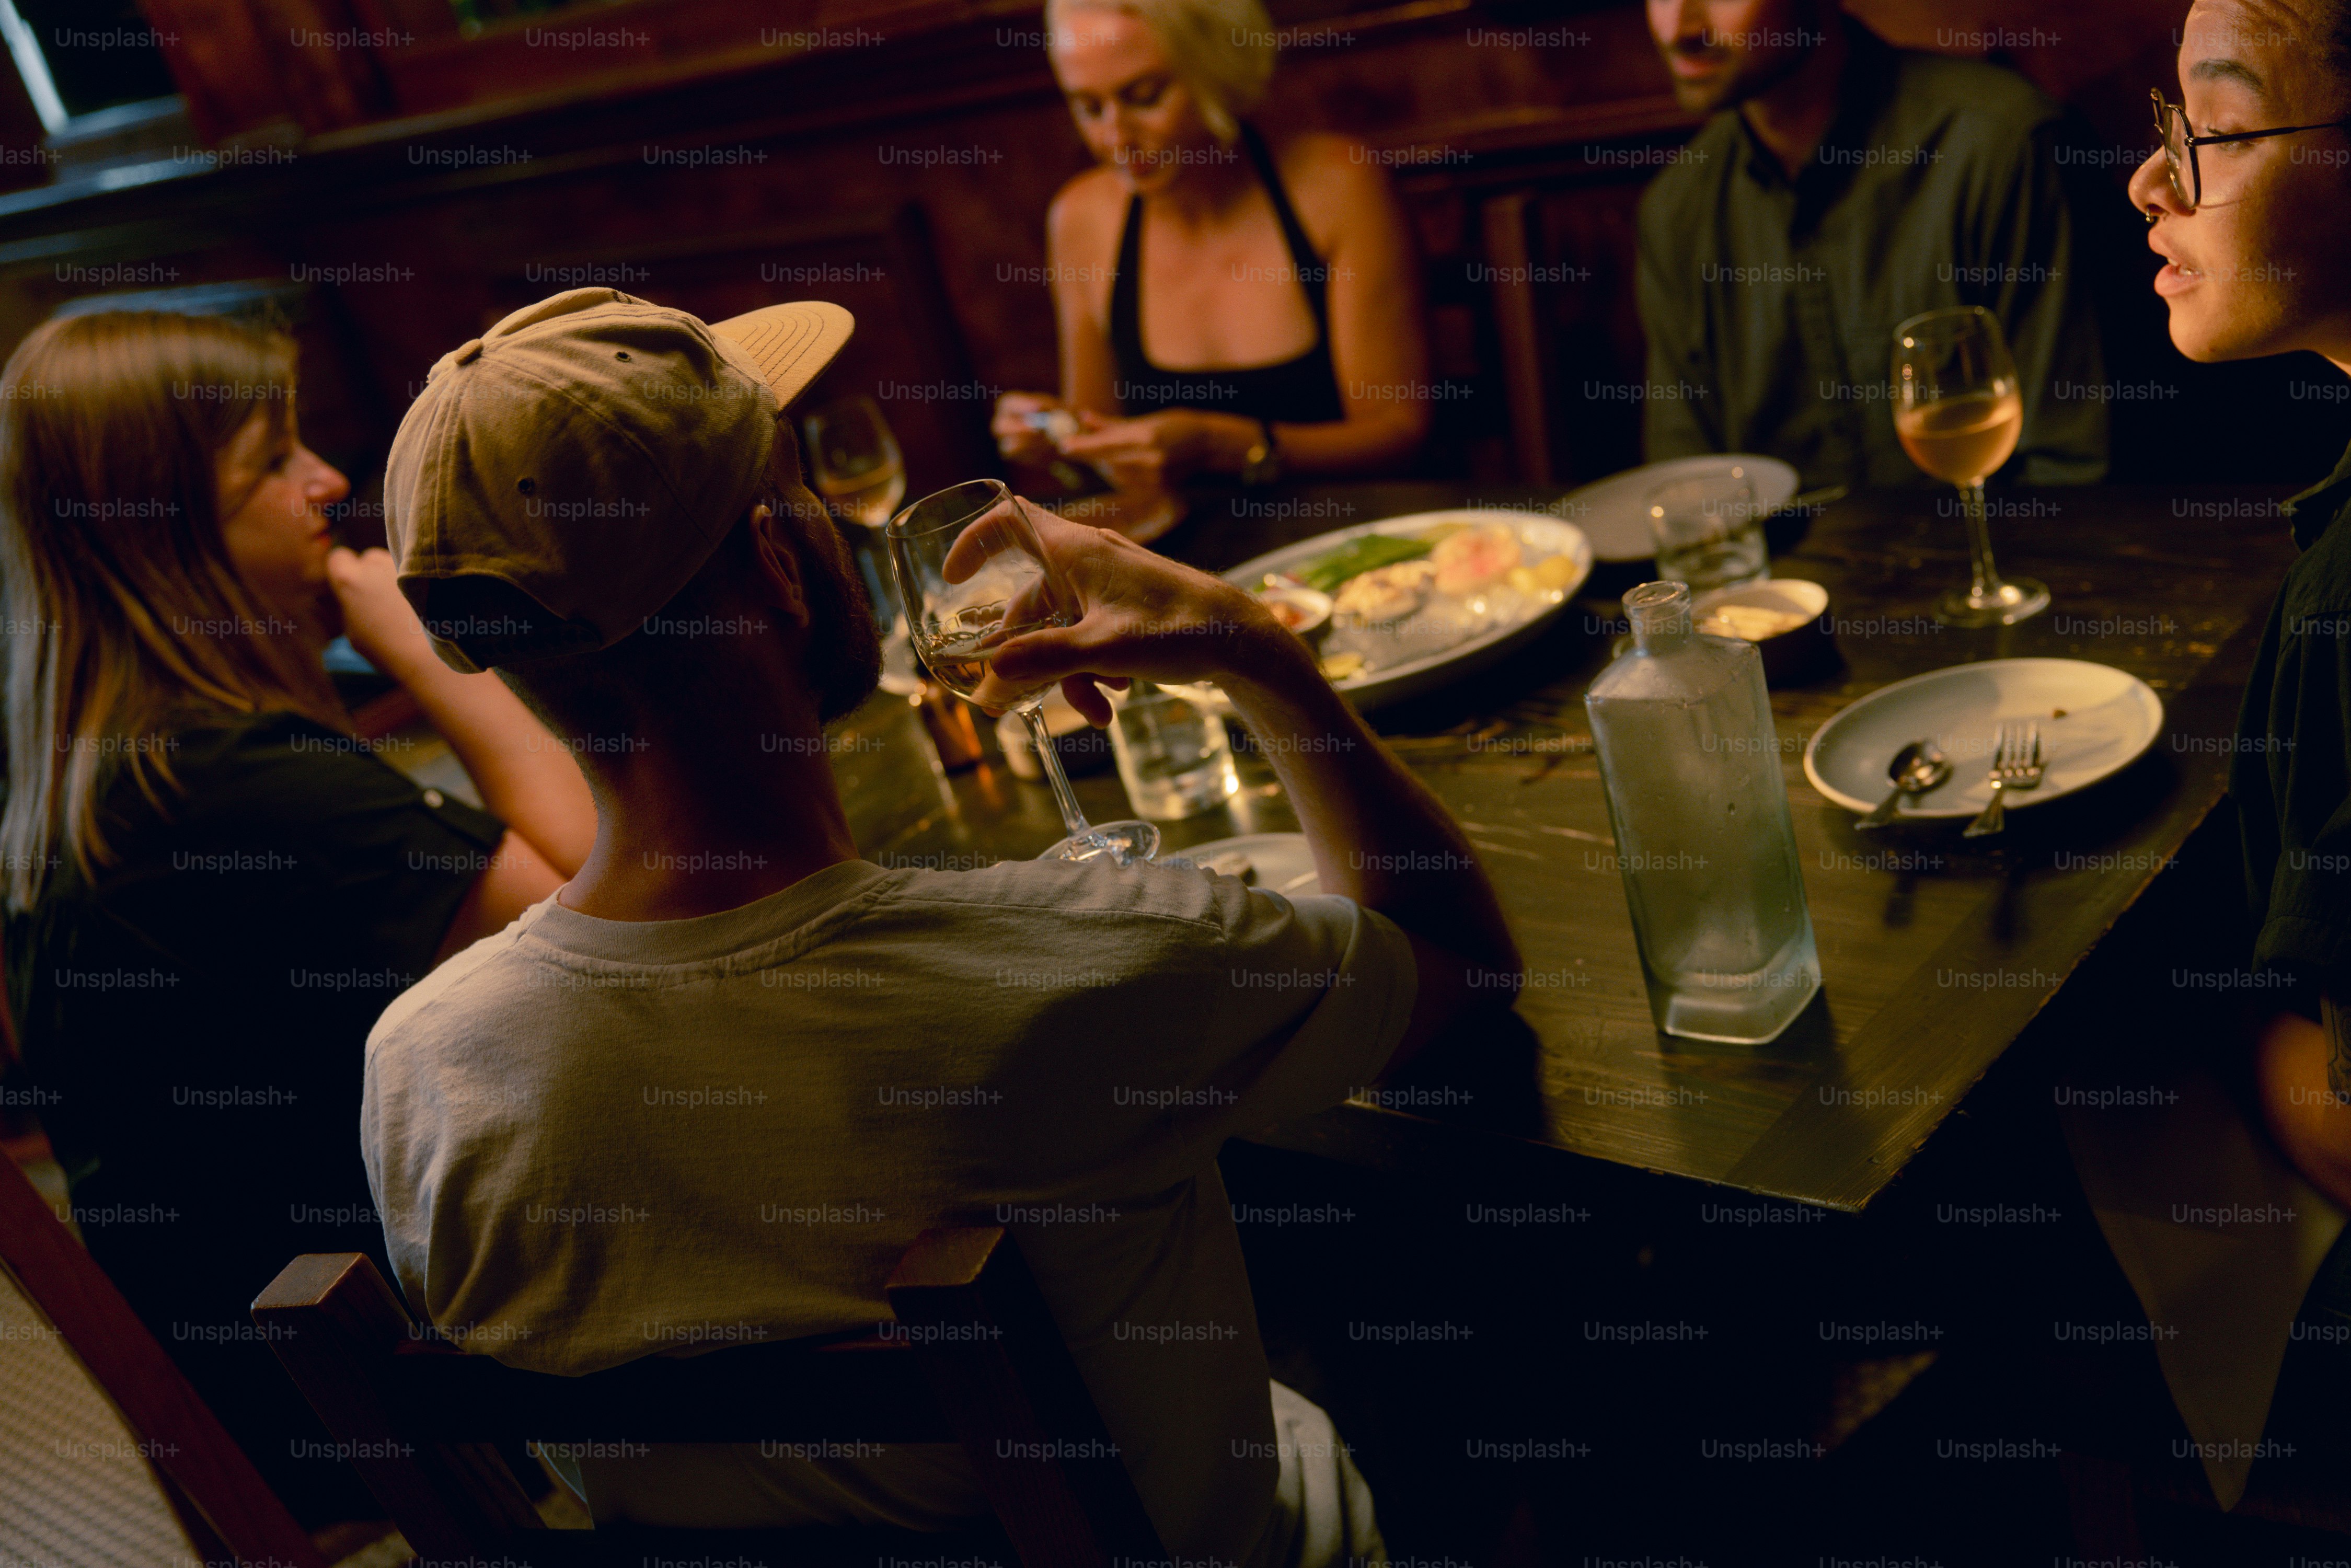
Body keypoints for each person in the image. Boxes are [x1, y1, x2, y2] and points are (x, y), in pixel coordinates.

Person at [359, 287, 1519, 1565]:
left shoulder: (416, 1071)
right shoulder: (1077, 966)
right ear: (785, 564)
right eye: (797, 495)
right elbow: (1458, 962)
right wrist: (1251, 647)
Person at [0, 308, 595, 1526]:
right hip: (382, 1435)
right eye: (271, 462)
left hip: (299, 1381)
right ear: (161, 535)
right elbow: (592, 909)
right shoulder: (223, 785)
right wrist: (432, 652)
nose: (326, 480)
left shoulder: (119, 769)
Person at [1635, 0, 2110, 488]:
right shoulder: (1677, 210)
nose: (1676, 28)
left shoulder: (2000, 144)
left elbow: (2072, 469)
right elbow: (1687, 491)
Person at [990, 0, 1430, 514]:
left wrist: (1222, 445)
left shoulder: (1337, 186)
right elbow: (1102, 456)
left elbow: (1400, 432)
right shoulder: (1080, 218)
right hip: (1181, 567)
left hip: (1351, 540)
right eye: (1089, 107)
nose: (1115, 138)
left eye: (1145, 97)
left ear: (1216, 69)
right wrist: (1057, 441)